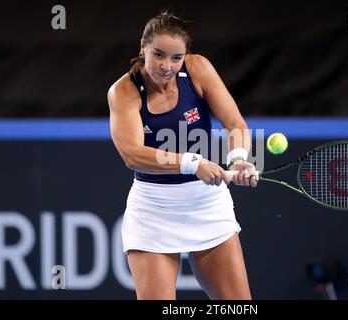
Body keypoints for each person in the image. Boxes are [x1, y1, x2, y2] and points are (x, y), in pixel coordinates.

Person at [107, 11, 258, 300]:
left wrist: (238, 158)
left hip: (207, 204)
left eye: (176, 58)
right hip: (154, 210)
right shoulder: (123, 91)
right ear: (143, 47)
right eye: (158, 55)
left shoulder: (198, 69)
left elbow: (235, 124)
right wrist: (192, 163)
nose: (167, 66)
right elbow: (133, 155)